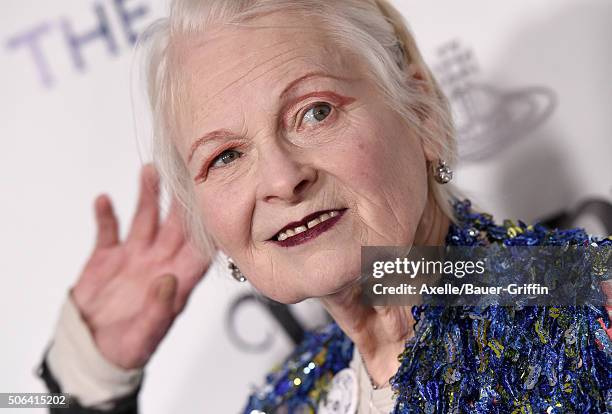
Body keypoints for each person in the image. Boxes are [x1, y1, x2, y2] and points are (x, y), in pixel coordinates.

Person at [36, 0, 612, 413]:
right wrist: (87, 385)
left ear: (423, 114)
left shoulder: (584, 294)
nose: (283, 179)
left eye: (315, 112)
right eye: (227, 156)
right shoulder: (281, 401)